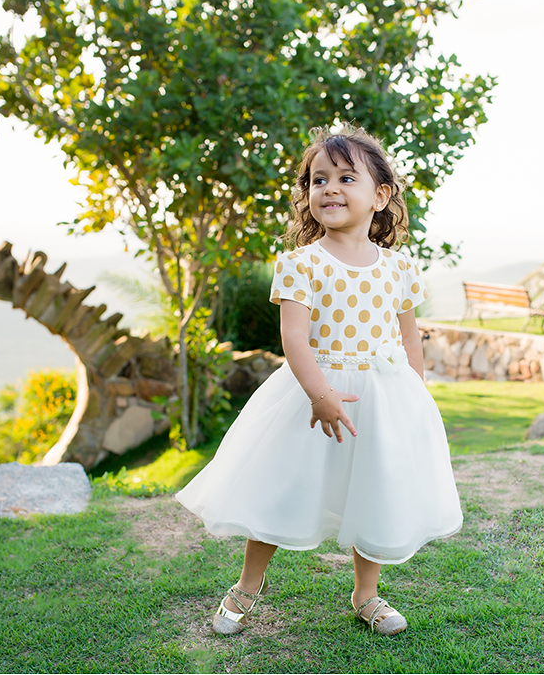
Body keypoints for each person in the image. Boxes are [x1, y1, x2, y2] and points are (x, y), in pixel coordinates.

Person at [176, 124, 463, 636]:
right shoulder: (300, 263)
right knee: (281, 484)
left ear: (380, 195)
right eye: (317, 179)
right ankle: (247, 586)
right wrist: (322, 394)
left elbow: (409, 336)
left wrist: (416, 396)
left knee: (373, 486)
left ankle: (366, 594)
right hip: (312, 393)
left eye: (346, 177)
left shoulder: (398, 267)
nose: (329, 188)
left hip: (381, 394)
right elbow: (295, 340)